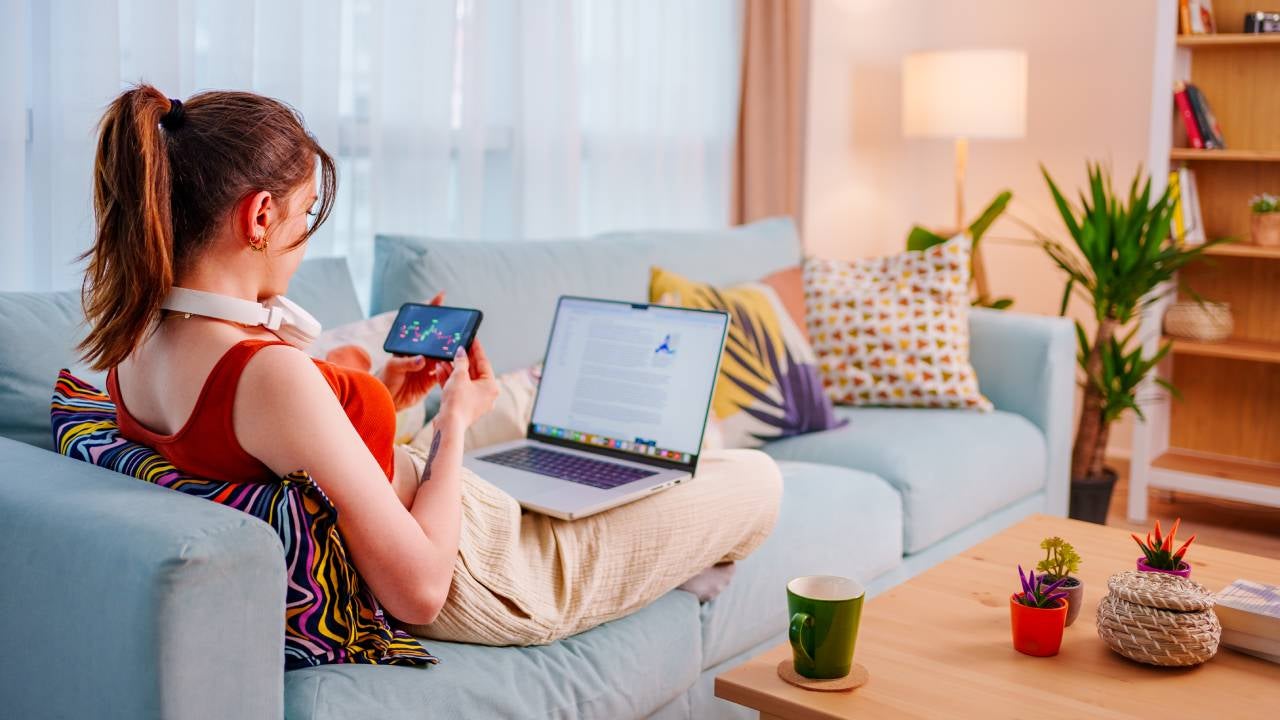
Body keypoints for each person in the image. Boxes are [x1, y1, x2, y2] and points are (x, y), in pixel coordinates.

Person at [82, 85, 780, 646]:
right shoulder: (263, 371)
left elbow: (282, 448)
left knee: (531, 405)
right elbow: (420, 588)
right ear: (259, 217)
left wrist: (385, 392)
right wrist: (450, 429)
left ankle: (635, 504)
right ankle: (669, 555)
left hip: (410, 493)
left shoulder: (134, 342)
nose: (304, 236)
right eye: (305, 214)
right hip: (478, 568)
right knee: (755, 477)